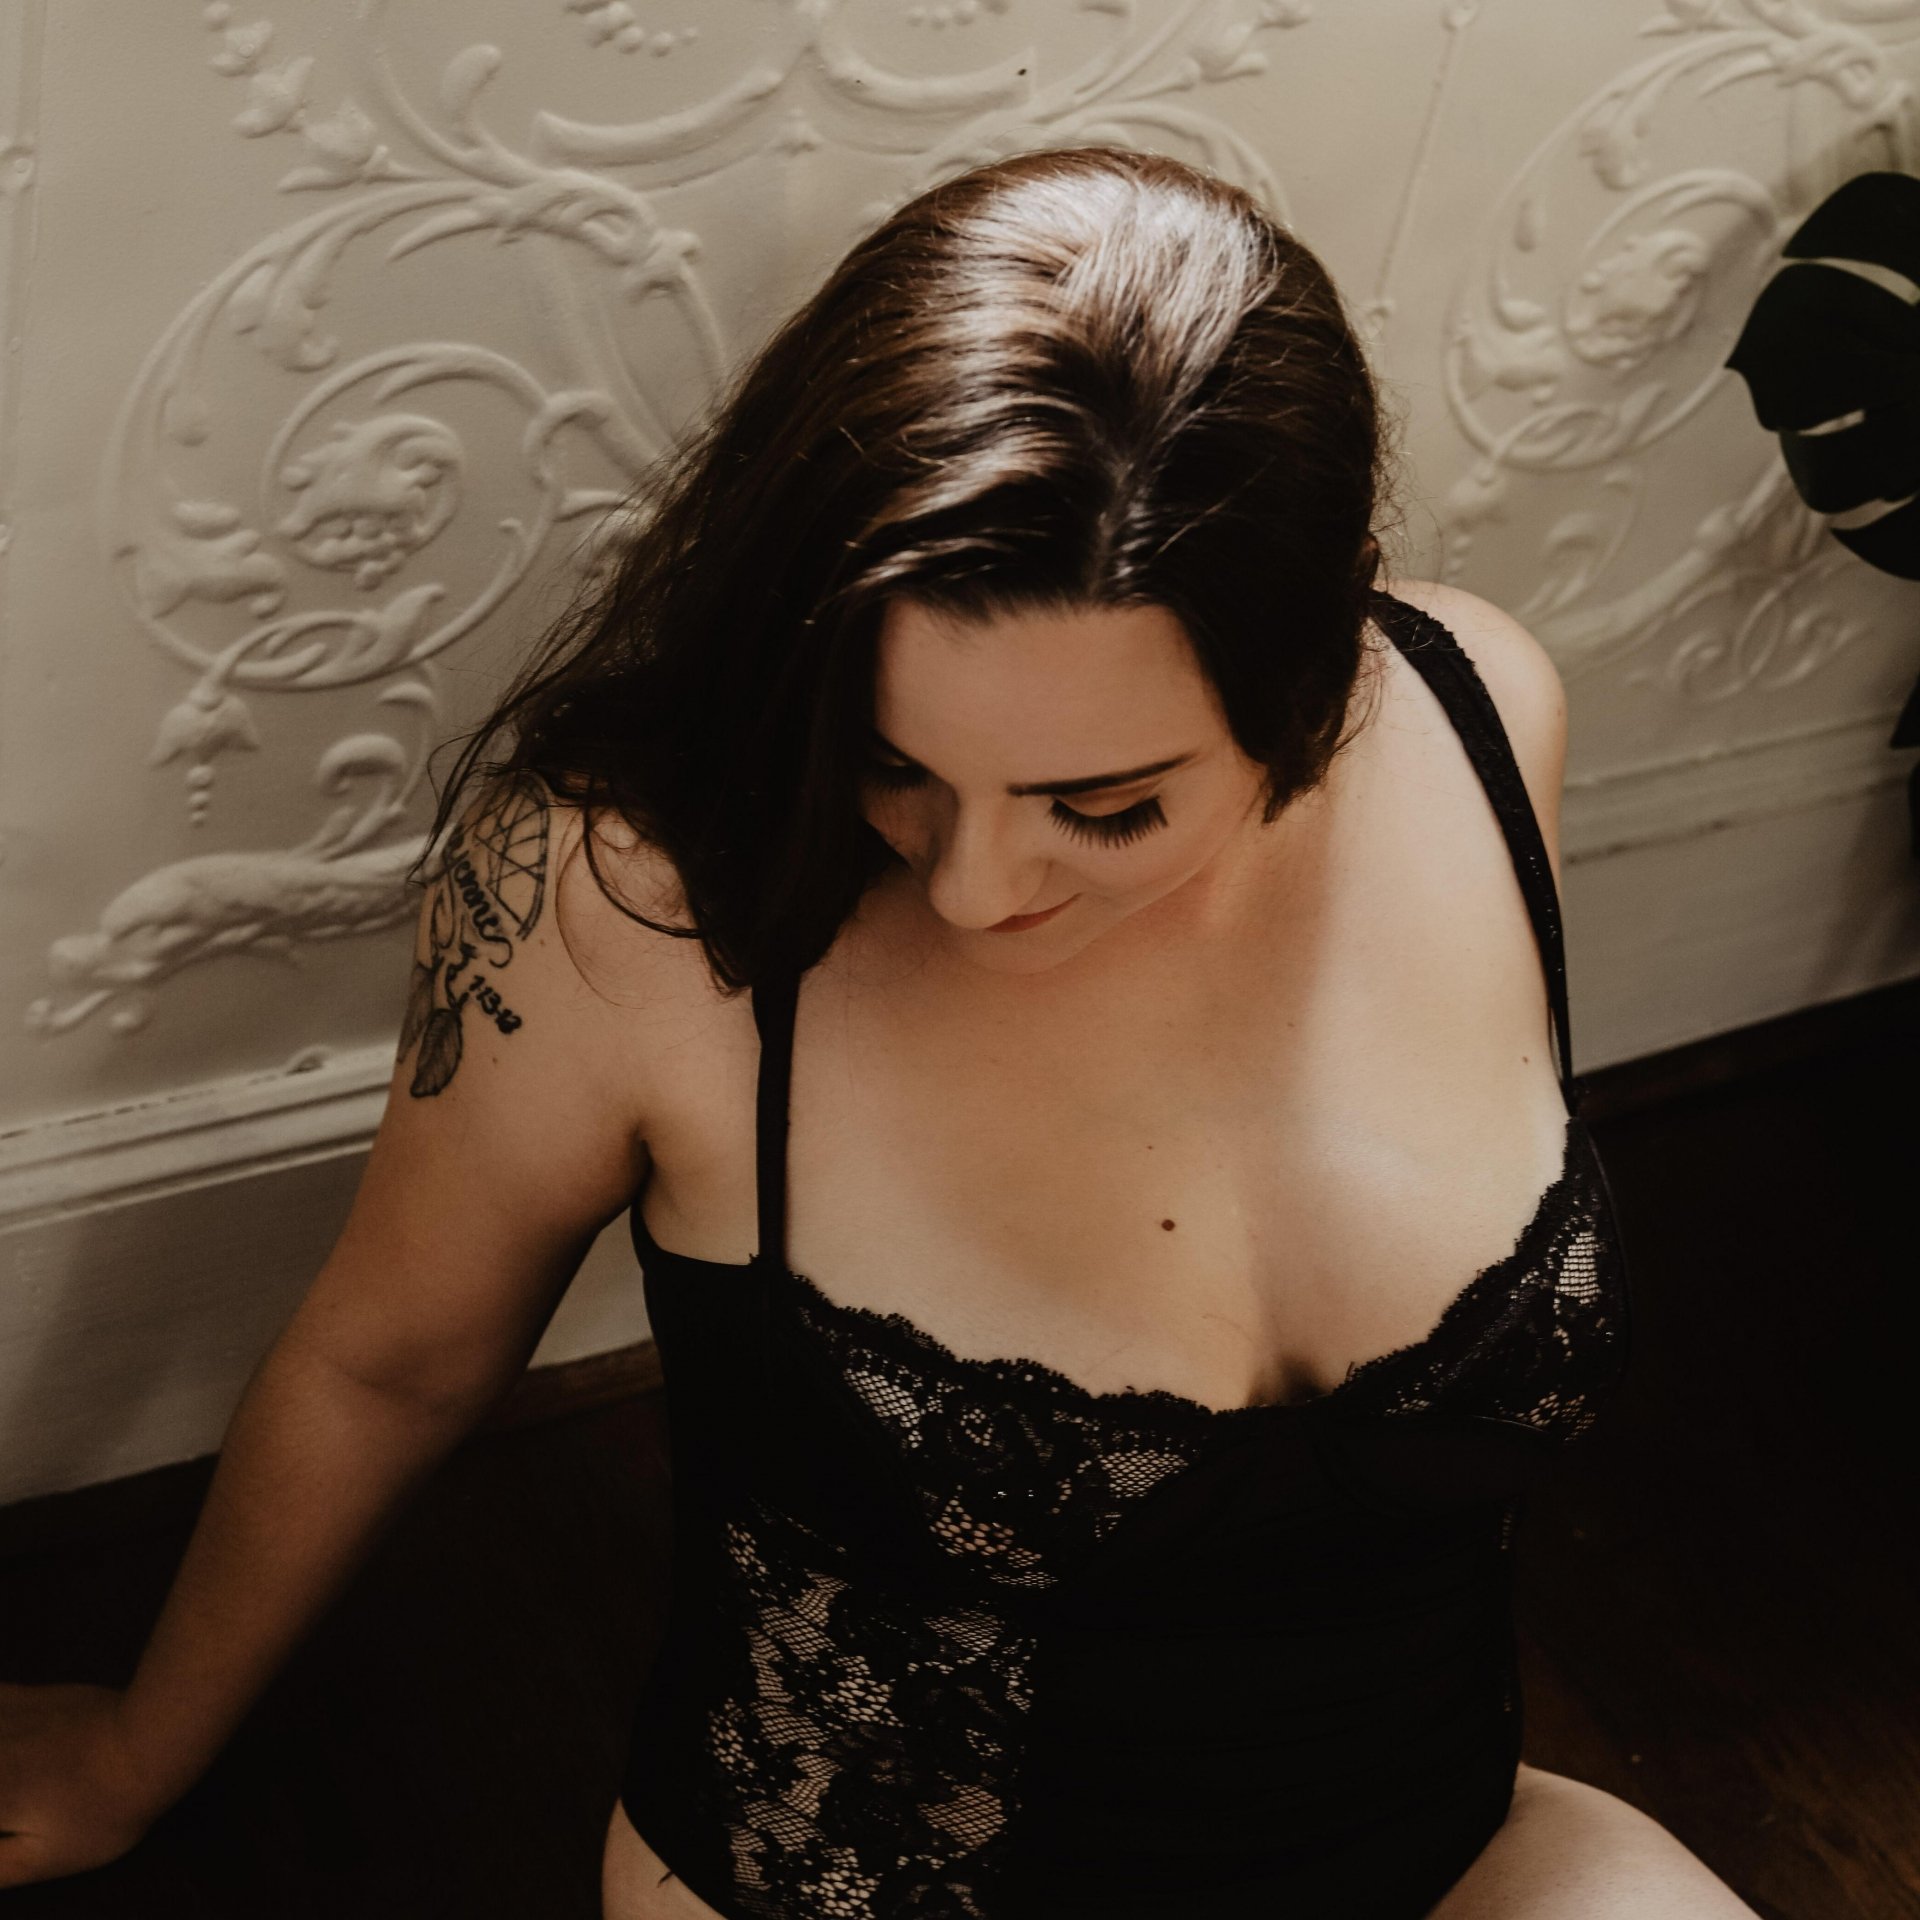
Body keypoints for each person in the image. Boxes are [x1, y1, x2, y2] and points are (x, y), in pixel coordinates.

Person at [0, 147, 1759, 1917]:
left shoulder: (1474, 708)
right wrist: (135, 1755)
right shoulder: (625, 899)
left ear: (1319, 670)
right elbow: (392, 1361)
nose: (974, 887)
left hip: (1437, 1848)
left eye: (1105, 807)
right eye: (892, 760)